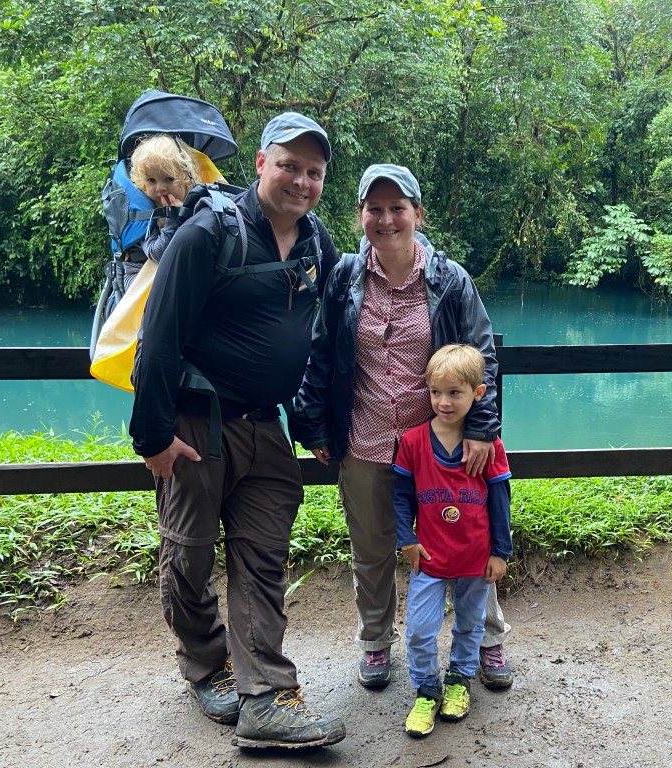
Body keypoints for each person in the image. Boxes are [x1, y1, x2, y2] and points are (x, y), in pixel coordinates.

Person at [128, 112, 345, 749]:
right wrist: (153, 437)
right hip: (196, 425)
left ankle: (267, 697)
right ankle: (206, 665)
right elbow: (159, 338)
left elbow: (323, 338)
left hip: (266, 428)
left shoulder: (316, 242)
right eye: (289, 166)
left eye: (313, 172)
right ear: (260, 164)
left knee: (263, 561)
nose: (301, 181)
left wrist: (311, 422)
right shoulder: (208, 234)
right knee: (189, 556)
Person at [291, 163, 515, 692]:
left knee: (469, 538)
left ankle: (487, 639)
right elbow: (321, 353)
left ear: (418, 213)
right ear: (361, 216)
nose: (387, 219)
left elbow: (482, 356)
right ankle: (375, 641)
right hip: (367, 440)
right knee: (372, 550)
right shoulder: (344, 277)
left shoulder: (449, 279)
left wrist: (481, 428)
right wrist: (314, 427)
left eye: (398, 208)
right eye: (375, 209)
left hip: (442, 446)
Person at [393, 344, 513, 737]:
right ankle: (427, 689)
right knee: (419, 628)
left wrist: (500, 551)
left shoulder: (489, 446)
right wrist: (406, 538)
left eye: (455, 393)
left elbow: (500, 500)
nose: (443, 402)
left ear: (478, 393)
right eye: (435, 392)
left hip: (475, 559)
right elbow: (401, 496)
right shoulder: (413, 442)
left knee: (470, 624)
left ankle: (460, 679)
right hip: (429, 558)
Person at [124, 134, 201, 291]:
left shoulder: (197, 204)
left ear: (186, 179)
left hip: (180, 272)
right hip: (140, 278)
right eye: (151, 180)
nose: (160, 188)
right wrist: (173, 219)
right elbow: (157, 254)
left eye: (169, 179)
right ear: (142, 182)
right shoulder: (144, 211)